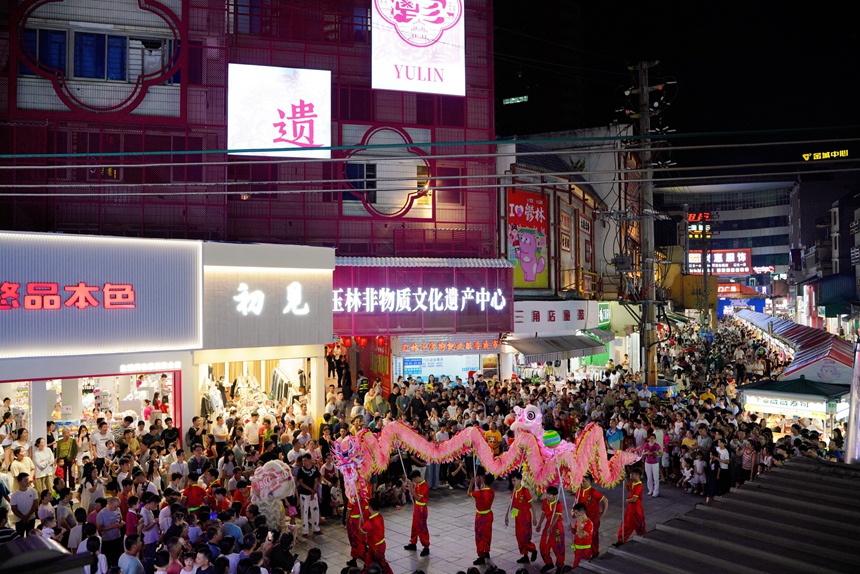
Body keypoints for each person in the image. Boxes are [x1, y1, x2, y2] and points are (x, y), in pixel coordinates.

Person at [506, 471, 537, 565]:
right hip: (517, 516)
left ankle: (533, 549)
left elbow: (532, 504)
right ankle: (525, 555)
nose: (513, 483)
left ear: (520, 480)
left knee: (524, 536)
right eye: (512, 481)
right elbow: (511, 504)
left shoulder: (525, 491)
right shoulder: (513, 491)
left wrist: (535, 517)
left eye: (515, 480)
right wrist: (506, 515)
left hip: (525, 516)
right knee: (518, 536)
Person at [359, 499, 394, 574]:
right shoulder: (379, 516)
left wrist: (360, 521)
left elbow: (361, 532)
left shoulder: (370, 522)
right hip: (377, 545)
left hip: (376, 547)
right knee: (368, 562)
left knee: (382, 564)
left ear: (370, 508)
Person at [535, 485, 564, 573]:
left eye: (550, 494)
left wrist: (551, 527)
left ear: (554, 495)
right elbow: (543, 513)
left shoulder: (558, 504)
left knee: (558, 547)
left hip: (557, 526)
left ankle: (560, 566)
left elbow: (556, 516)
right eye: (547, 493)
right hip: (548, 525)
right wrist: (539, 524)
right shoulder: (544, 502)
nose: (548, 496)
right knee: (543, 546)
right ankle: (548, 563)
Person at [469, 468, 495, 565]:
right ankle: (487, 551)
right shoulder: (492, 492)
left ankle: (481, 555)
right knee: (487, 534)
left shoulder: (480, 493)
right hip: (489, 515)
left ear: (484, 480)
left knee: (479, 535)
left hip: (480, 516)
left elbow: (469, 493)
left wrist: (471, 483)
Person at [614, 468, 646, 546]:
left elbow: (634, 499)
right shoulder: (633, 483)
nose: (631, 475)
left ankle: (644, 539)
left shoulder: (638, 486)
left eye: (633, 474)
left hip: (636, 510)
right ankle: (621, 540)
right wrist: (625, 481)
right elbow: (628, 489)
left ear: (637, 475)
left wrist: (628, 500)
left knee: (639, 526)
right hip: (630, 510)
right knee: (626, 525)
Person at [579, 474, 608, 557]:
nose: (581, 483)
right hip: (583, 519)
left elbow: (605, 500)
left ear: (589, 481)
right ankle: (586, 554)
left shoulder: (593, 491)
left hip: (593, 519)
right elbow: (576, 502)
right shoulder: (579, 490)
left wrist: (603, 512)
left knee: (593, 536)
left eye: (583, 481)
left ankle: (595, 553)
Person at [403, 469, 430, 556]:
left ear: (417, 477)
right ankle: (413, 543)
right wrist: (408, 486)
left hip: (421, 508)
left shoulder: (424, 485)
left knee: (422, 527)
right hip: (417, 507)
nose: (414, 481)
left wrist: (411, 487)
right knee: (414, 526)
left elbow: (418, 497)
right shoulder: (418, 484)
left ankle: (426, 547)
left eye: (414, 479)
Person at [345, 482, 371, 568]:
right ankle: (355, 558)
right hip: (361, 518)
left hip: (353, 521)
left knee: (354, 541)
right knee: (360, 539)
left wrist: (346, 520)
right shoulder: (364, 492)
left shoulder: (352, 495)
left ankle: (365, 561)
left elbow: (348, 510)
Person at [296, 453, 323, 537]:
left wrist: (313, 491)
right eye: (303, 461)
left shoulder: (314, 469)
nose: (304, 462)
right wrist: (310, 490)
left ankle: (316, 528)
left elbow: (316, 480)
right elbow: (300, 482)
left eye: (305, 460)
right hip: (304, 494)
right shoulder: (301, 470)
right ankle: (305, 531)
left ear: (310, 460)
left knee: (315, 510)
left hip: (313, 493)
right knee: (304, 511)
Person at [97, 497, 125, 566]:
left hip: (117, 538)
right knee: (108, 561)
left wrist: (121, 523)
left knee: (117, 559)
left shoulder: (118, 510)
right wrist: (112, 526)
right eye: (115, 506)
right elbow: (99, 529)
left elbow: (120, 519)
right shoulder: (101, 514)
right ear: (110, 504)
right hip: (107, 540)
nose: (116, 508)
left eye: (117, 506)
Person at [10, 472, 38, 536]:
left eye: (27, 480)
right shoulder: (15, 495)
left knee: (31, 537)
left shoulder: (33, 491)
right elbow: (14, 508)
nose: (27, 481)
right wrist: (23, 517)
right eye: (25, 480)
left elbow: (35, 504)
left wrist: (28, 516)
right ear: (19, 482)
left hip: (31, 518)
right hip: (19, 520)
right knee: (20, 537)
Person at [570, 503, 594, 568]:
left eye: (576, 513)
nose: (575, 515)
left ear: (582, 513)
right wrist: (571, 529)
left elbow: (580, 536)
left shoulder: (589, 524)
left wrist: (579, 522)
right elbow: (575, 532)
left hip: (584, 550)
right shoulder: (578, 521)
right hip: (577, 549)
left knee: (578, 567)